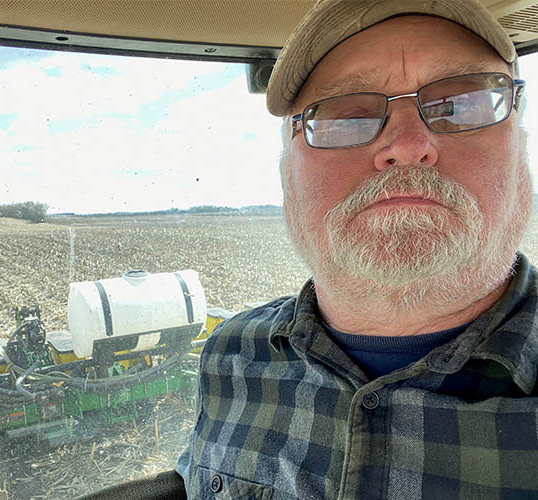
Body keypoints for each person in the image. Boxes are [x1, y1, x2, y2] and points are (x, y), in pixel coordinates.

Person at [173, 0, 538, 499]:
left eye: (461, 105)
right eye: (347, 115)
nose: (408, 144)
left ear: (522, 153)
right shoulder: (229, 355)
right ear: (287, 178)